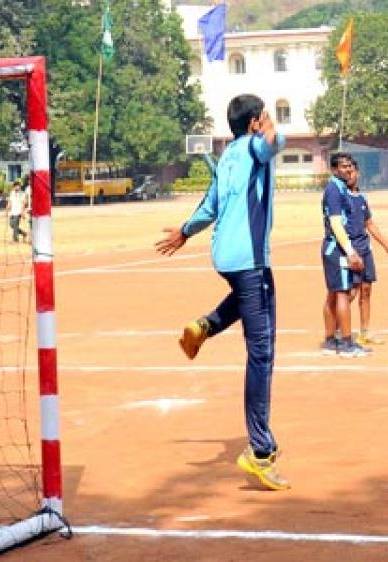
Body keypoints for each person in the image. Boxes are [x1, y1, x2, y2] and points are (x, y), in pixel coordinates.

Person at [154, 94, 290, 490]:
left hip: (226, 257)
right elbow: (274, 143)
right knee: (261, 353)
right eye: (261, 116)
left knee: (247, 304)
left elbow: (209, 206)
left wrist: (184, 231)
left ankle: (204, 327)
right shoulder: (252, 147)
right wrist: (269, 127)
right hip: (249, 258)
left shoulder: (227, 155)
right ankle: (260, 450)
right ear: (253, 122)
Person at [318, 153, 369, 358]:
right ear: (333, 170)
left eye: (349, 166)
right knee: (342, 293)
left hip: (335, 248)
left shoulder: (340, 188)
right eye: (343, 167)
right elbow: (336, 223)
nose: (348, 170)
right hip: (336, 248)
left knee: (333, 294)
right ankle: (346, 343)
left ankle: (331, 341)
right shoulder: (334, 190)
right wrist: (350, 252)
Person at [345, 167, 388, 347]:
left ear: (358, 173)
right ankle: (338, 332)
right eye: (347, 171)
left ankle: (364, 333)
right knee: (351, 292)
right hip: (351, 251)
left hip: (365, 249)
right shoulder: (341, 197)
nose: (350, 175)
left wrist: (387, 246)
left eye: (353, 172)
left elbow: (369, 223)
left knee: (366, 291)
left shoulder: (362, 198)